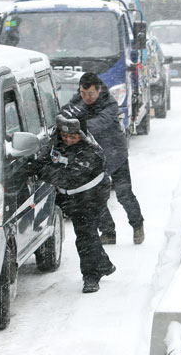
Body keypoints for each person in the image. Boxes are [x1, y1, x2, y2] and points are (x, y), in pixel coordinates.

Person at [31, 105, 116, 293]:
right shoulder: (56, 140)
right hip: (71, 198)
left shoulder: (91, 152)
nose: (69, 140)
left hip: (92, 197)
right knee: (87, 234)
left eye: (74, 136)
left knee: (86, 237)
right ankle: (103, 264)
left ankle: (91, 276)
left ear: (82, 134)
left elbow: (67, 178)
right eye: (65, 135)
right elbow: (43, 159)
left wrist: (42, 170)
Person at [69, 72, 145, 245]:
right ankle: (108, 232)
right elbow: (67, 112)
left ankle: (137, 224)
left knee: (124, 194)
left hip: (116, 155)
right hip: (94, 158)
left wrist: (77, 127)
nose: (86, 98)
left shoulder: (109, 104)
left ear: (99, 89)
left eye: (90, 94)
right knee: (96, 197)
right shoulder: (77, 101)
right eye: (83, 93)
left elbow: (99, 123)